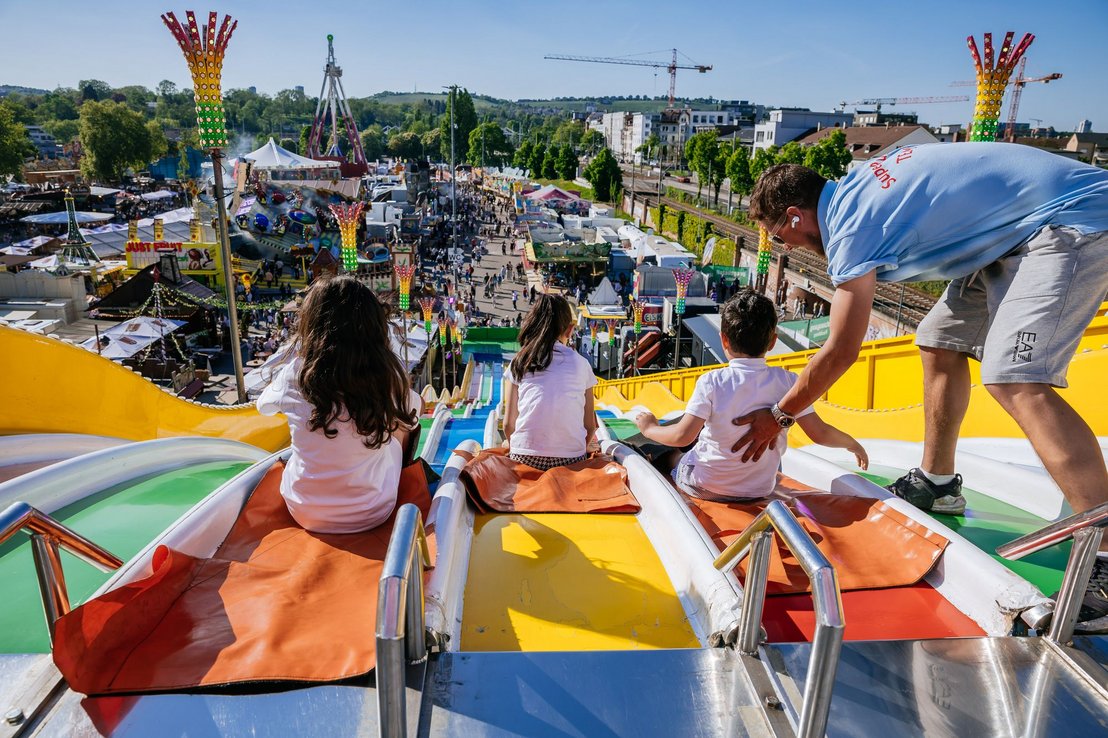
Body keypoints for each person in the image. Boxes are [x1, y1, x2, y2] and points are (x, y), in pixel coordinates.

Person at [737, 144, 1108, 629]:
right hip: (1008, 236)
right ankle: (937, 483)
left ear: (793, 216)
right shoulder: (856, 191)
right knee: (938, 342)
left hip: (1071, 223)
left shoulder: (852, 227)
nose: (788, 248)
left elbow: (842, 349)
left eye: (780, 238)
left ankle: (1104, 556)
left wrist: (782, 415)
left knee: (1016, 378)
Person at [633, 290, 867, 499]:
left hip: (705, 485)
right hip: (759, 490)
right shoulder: (789, 382)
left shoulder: (712, 381)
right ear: (773, 342)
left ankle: (666, 463)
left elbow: (683, 436)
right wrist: (852, 444)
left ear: (724, 339)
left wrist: (649, 427)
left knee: (679, 454)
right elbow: (820, 433)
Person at [257, 276, 421, 534]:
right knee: (398, 428)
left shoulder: (294, 375)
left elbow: (262, 407)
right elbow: (413, 415)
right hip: (374, 510)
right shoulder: (390, 379)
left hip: (304, 510)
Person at [503, 294, 599, 470]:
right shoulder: (581, 364)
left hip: (524, 456)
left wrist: (518, 449)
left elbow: (508, 425)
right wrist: (576, 451)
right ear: (569, 330)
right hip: (570, 459)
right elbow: (590, 426)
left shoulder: (519, 361)